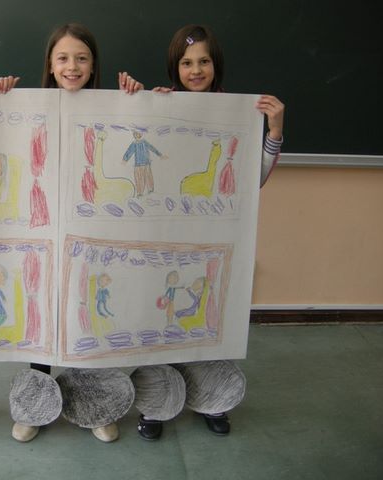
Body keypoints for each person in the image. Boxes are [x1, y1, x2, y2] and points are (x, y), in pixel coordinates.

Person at [0, 23, 144, 443]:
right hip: (41, 232)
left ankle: (93, 405)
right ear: (50, 64)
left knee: (84, 314)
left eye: (81, 58)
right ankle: (34, 408)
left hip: (88, 234)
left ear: (93, 65)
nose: (72, 66)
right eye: (63, 58)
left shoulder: (110, 106)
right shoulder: (31, 104)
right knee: (41, 317)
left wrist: (136, 100)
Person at [135, 24, 285, 441]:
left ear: (215, 65)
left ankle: (211, 398)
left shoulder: (237, 114)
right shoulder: (162, 104)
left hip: (214, 237)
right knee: (163, 316)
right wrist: (150, 108)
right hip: (168, 235)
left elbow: (253, 181)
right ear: (175, 67)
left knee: (208, 313)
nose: (196, 70)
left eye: (203, 61)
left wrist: (274, 131)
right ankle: (156, 402)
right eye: (186, 63)